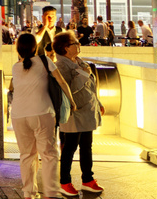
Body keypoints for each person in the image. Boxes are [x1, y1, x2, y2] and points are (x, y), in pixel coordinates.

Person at [50, 31, 103, 196]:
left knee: (87, 146)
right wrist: (82, 75)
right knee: (69, 148)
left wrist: (98, 102)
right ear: (66, 48)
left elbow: (90, 87)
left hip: (87, 111)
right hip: (73, 113)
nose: (78, 45)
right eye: (75, 43)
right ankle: (65, 181)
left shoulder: (79, 62)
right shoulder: (61, 66)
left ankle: (88, 179)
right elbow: (64, 90)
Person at [8, 31, 58, 199]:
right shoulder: (45, 61)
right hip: (42, 112)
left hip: (18, 115)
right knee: (49, 154)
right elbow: (61, 82)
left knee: (27, 155)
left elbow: (12, 88)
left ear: (18, 49)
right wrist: (72, 102)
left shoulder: (16, 67)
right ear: (35, 47)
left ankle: (28, 193)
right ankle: (51, 193)